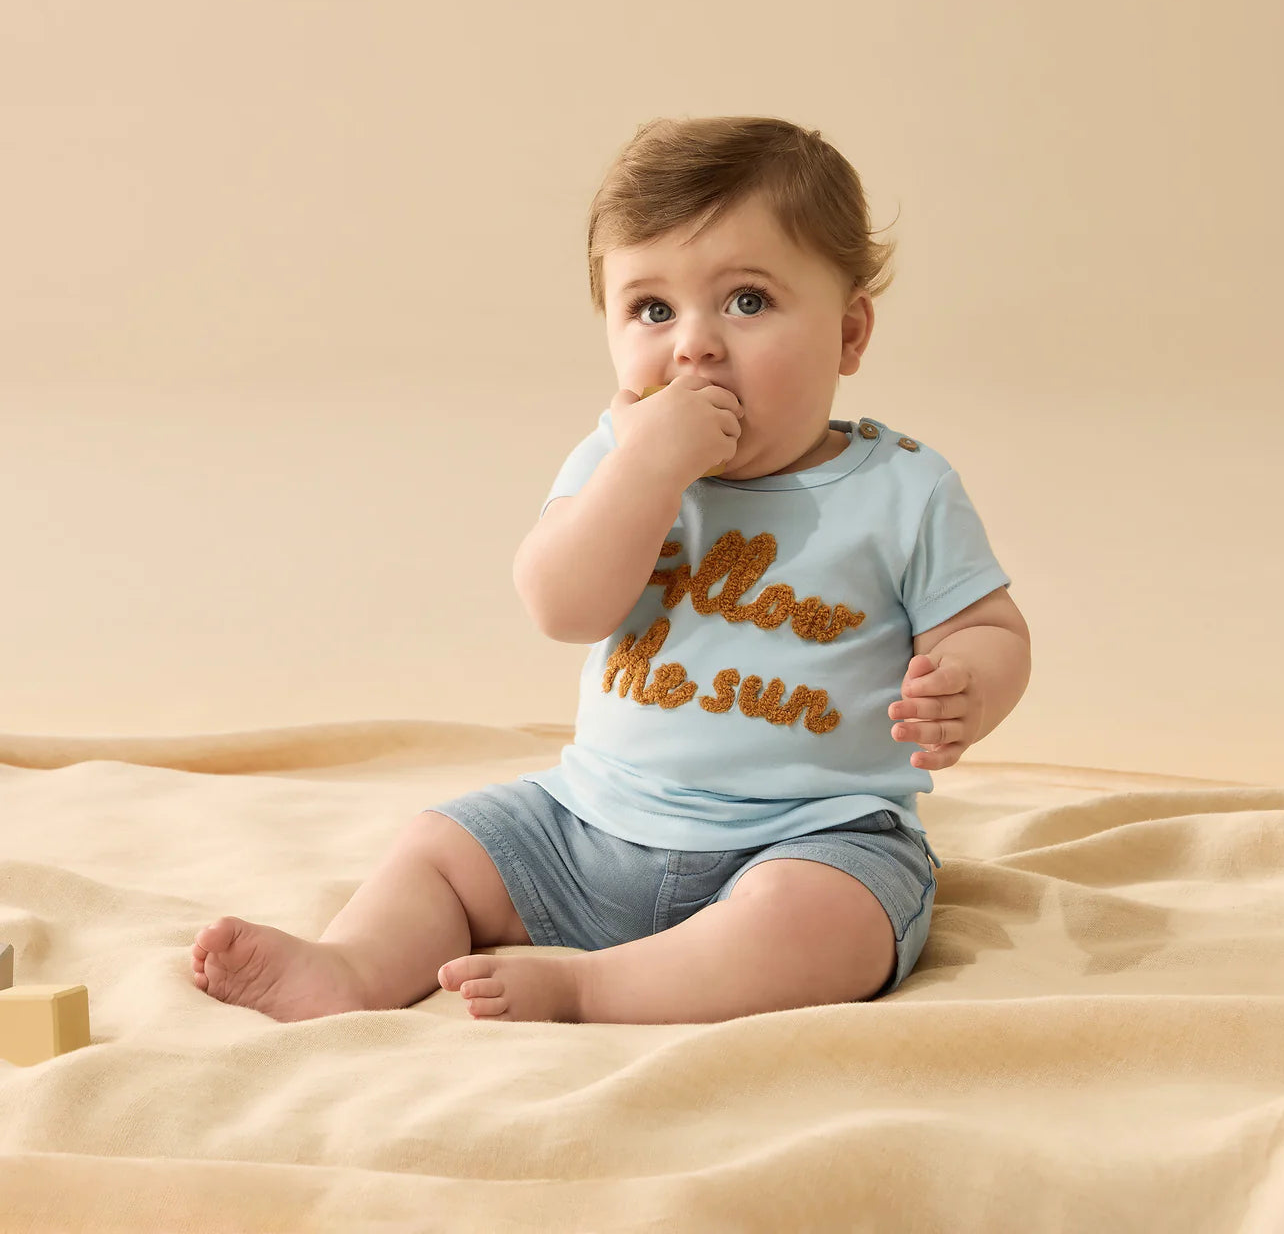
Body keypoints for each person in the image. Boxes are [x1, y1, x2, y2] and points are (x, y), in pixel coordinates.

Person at [191, 115, 1032, 1025]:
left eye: (747, 301)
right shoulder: (617, 455)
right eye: (653, 310)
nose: (694, 345)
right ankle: (352, 967)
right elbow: (562, 605)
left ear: (850, 333)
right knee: (441, 845)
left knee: (829, 922)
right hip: (591, 824)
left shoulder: (904, 488)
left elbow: (988, 628)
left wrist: (968, 683)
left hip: (810, 836)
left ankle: (592, 988)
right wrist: (649, 468)